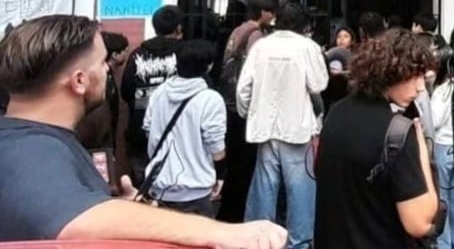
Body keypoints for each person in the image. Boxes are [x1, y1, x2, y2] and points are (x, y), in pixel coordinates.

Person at [0, 15, 287, 247]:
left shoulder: (30, 141)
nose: (108, 70)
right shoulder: (33, 149)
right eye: (103, 62)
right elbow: (72, 219)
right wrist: (227, 234)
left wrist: (112, 208)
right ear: (79, 81)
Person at [314, 28, 440, 248]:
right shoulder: (398, 131)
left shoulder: (337, 113)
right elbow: (419, 223)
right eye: (415, 76)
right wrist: (420, 145)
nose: (420, 88)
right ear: (392, 72)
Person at [237, 3, 329, 248]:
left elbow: (243, 87)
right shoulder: (307, 47)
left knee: (264, 186)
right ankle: (299, 242)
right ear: (303, 24)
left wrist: (249, 113)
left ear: (277, 19)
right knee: (300, 190)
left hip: (264, 127)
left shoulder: (261, 46)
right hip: (298, 127)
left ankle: (260, 239)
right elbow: (319, 84)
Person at [142, 39, 227, 216]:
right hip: (196, 192)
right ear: (208, 67)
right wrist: (220, 176)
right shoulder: (211, 99)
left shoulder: (159, 92)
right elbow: (216, 147)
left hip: (159, 188)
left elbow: (148, 130)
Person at [218, 0, 278, 223]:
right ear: (263, 13)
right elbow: (256, 72)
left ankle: (228, 211)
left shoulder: (237, 30)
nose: (273, 17)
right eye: (272, 12)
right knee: (245, 165)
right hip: (243, 105)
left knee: (234, 163)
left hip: (229, 102)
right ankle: (239, 214)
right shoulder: (256, 35)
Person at [121, 5, 185, 187]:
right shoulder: (185, 54)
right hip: (178, 131)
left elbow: (126, 91)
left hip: (141, 131)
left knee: (143, 185)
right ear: (179, 28)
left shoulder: (137, 55)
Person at [430, 55, 454, 249]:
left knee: (442, 200)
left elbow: (434, 121)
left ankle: (443, 244)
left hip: (442, 147)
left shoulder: (442, 91)